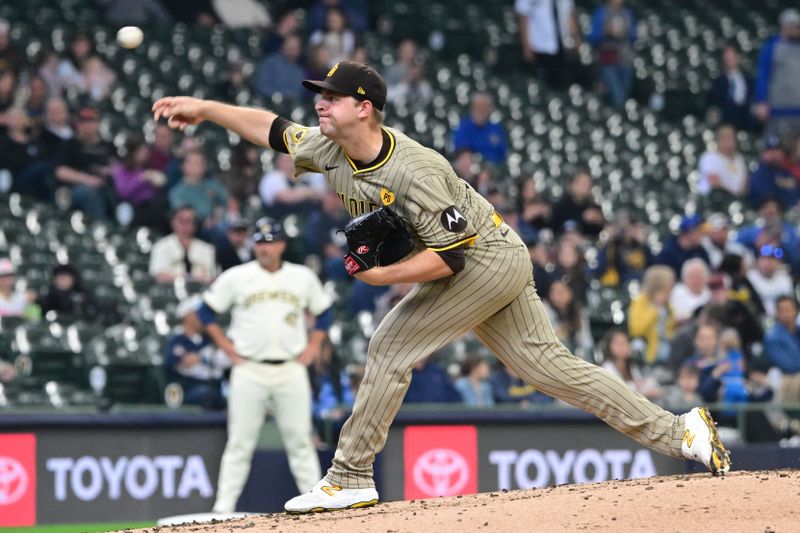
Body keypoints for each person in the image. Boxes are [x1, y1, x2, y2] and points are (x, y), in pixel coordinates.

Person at [152, 60, 731, 514]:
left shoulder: (416, 169)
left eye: (329, 98)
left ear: (365, 108)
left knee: (389, 346)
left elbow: (449, 258)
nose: (318, 105)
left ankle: (349, 477)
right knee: (551, 368)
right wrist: (206, 108)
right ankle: (680, 432)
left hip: (484, 259)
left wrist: (382, 276)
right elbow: (272, 130)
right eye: (318, 97)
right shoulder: (330, 147)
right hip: (487, 259)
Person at [190, 218, 332, 513]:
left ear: (282, 245)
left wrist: (314, 345)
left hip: (290, 367)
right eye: (259, 241)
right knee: (240, 443)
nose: (264, 247)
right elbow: (205, 312)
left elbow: (324, 314)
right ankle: (223, 509)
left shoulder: (302, 277)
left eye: (269, 241)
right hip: (249, 368)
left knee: (301, 442)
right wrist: (226, 347)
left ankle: (316, 505)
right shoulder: (237, 276)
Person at [164, 296, 227, 410]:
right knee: (205, 395)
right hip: (189, 387)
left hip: (218, 385)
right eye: (200, 314)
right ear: (188, 316)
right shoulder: (178, 340)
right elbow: (175, 365)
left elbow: (226, 360)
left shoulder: (212, 338)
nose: (205, 318)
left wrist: (201, 359)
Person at [754, 8, 800, 139]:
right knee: (778, 151)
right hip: (778, 110)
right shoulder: (771, 48)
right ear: (783, 26)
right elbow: (763, 75)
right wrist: (762, 101)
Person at [515, 0, 581, 89]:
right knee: (544, 85)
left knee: (564, 85)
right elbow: (523, 18)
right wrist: (526, 46)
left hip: (563, 46)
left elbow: (569, 15)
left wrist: (576, 39)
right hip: (540, 47)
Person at [588, 0, 637, 110]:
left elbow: (634, 35)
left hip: (625, 60)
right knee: (617, 98)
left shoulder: (627, 12)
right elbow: (592, 37)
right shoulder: (601, 12)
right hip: (608, 61)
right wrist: (606, 32)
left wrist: (625, 32)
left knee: (624, 97)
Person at [149, 206, 217, 285]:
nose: (184, 224)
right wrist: (184, 278)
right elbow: (158, 276)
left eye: (188, 221)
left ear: (194, 224)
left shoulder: (207, 249)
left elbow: (211, 277)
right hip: (170, 293)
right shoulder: (160, 247)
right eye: (181, 220)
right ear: (172, 222)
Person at [627, 265, 676, 366]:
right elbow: (636, 329)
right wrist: (654, 307)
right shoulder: (640, 301)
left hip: (667, 343)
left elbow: (670, 326)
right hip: (649, 347)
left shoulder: (667, 303)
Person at [600, 329, 660, 400]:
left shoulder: (631, 366)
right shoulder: (607, 367)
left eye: (625, 342)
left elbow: (640, 384)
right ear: (609, 347)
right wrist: (643, 393)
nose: (623, 346)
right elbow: (618, 393)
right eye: (619, 343)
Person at [709, 45, 756, 132]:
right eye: (727, 56)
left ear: (738, 57)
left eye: (731, 55)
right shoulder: (718, 82)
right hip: (726, 121)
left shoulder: (749, 80)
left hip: (746, 120)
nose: (729, 59)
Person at [451, 92, 508, 164]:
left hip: (496, 169)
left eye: (485, 108)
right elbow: (463, 153)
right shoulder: (463, 127)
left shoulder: (496, 129)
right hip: (473, 169)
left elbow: (503, 154)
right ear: (472, 108)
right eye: (478, 108)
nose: (481, 112)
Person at [747, 135, 800, 210]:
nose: (774, 154)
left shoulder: (786, 172)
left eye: (777, 150)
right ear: (763, 153)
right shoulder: (759, 173)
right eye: (770, 150)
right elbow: (764, 197)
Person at [764, 296, 800, 403]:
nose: (785, 313)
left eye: (788, 309)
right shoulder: (772, 337)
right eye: (781, 310)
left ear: (796, 311)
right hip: (785, 381)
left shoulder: (798, 332)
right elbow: (789, 366)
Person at [697, 124, 748, 199]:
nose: (729, 141)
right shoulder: (710, 157)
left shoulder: (739, 159)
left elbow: (745, 183)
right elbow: (714, 182)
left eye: (731, 137)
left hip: (736, 200)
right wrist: (733, 194)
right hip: (713, 199)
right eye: (725, 137)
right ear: (719, 140)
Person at [745, 244, 793, 317]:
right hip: (759, 318)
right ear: (757, 261)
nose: (767, 263)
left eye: (771, 260)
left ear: (778, 262)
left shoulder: (785, 279)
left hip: (781, 319)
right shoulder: (750, 278)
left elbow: (789, 303)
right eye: (764, 259)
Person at [669, 258, 711, 325]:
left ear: (706, 278)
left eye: (699, 277)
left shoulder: (710, 294)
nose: (696, 281)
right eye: (692, 277)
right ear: (684, 279)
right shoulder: (675, 293)